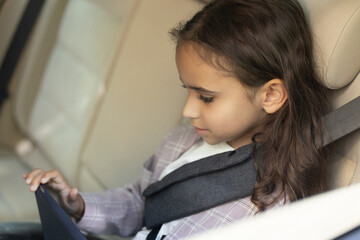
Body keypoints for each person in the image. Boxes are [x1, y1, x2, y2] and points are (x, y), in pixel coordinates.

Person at [23, 0, 329, 239]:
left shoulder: (275, 205)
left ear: (271, 96)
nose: (187, 110)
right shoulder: (180, 143)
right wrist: (79, 205)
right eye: (188, 91)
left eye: (206, 97)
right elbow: (141, 205)